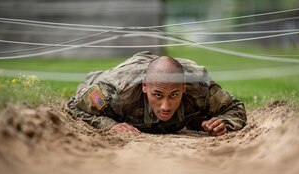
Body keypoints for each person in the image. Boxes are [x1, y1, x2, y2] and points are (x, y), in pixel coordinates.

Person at [67, 51, 247, 136]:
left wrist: (224, 123)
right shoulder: (115, 91)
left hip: (175, 70)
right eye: (158, 95)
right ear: (145, 87)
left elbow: (235, 108)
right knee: (92, 82)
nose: (166, 106)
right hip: (127, 73)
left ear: (184, 88)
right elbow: (74, 107)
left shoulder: (198, 88)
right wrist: (109, 125)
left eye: (174, 95)